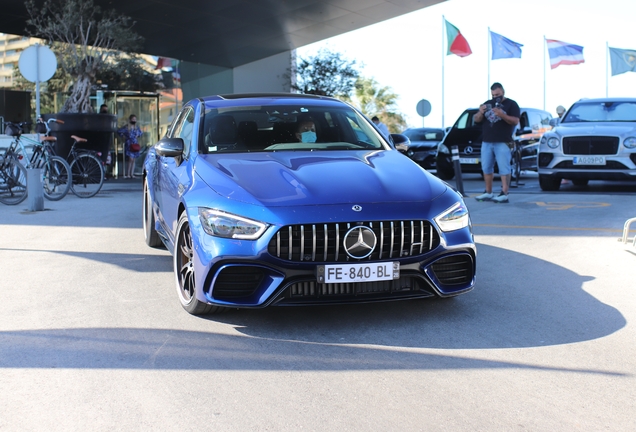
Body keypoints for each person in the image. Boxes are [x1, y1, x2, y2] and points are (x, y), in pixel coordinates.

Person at [473, 82, 520, 203]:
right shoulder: (488, 103)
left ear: (503, 92)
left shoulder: (511, 104)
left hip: (503, 141)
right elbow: (476, 120)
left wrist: (502, 115)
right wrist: (480, 112)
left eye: (498, 94)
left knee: (504, 168)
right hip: (487, 141)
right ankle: (488, 192)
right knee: (486, 167)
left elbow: (515, 121)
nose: (496, 97)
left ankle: (504, 193)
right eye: (493, 95)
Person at [117, 114, 143, 179]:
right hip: (129, 144)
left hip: (135, 144)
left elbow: (141, 133)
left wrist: (138, 135)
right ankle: (128, 173)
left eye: (135, 119)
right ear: (130, 119)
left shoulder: (136, 128)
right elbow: (119, 131)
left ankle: (132, 173)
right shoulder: (127, 127)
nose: (134, 120)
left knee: (133, 159)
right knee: (130, 159)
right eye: (133, 119)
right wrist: (123, 136)